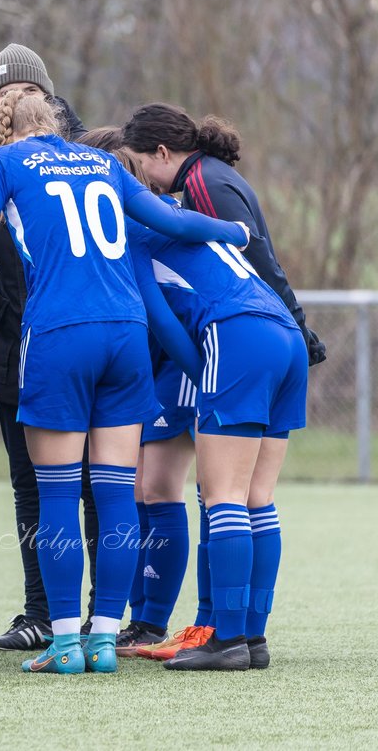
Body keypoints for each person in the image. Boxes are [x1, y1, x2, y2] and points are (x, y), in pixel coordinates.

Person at [0, 89, 248, 674]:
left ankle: (63, 643)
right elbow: (169, 219)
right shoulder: (103, 161)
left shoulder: (4, 162)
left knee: (55, 492)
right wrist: (232, 234)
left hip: (60, 334)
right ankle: (105, 639)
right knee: (113, 494)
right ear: (58, 126)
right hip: (126, 332)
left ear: (4, 130)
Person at [121, 180, 308, 673]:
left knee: (222, 494)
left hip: (238, 333)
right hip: (286, 333)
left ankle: (225, 640)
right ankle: (251, 635)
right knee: (257, 496)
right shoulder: (173, 213)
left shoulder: (130, 231)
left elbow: (160, 322)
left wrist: (205, 379)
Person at [0, 44, 101, 652]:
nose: (11, 100)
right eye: (0, 93)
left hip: (80, 333)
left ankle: (100, 613)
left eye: (22, 90)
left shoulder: (84, 156)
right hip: (18, 337)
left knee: (97, 479)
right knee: (29, 480)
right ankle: (41, 610)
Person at [75, 130, 200, 657]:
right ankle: (132, 617)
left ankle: (151, 621)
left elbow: (163, 304)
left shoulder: (146, 215)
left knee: (160, 488)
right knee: (132, 491)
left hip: (178, 360)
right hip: (142, 364)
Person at [122, 103, 326, 368]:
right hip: (271, 329)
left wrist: (299, 329)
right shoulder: (211, 173)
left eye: (139, 164)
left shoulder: (203, 184)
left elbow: (258, 263)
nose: (139, 180)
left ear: (162, 152)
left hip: (255, 333)